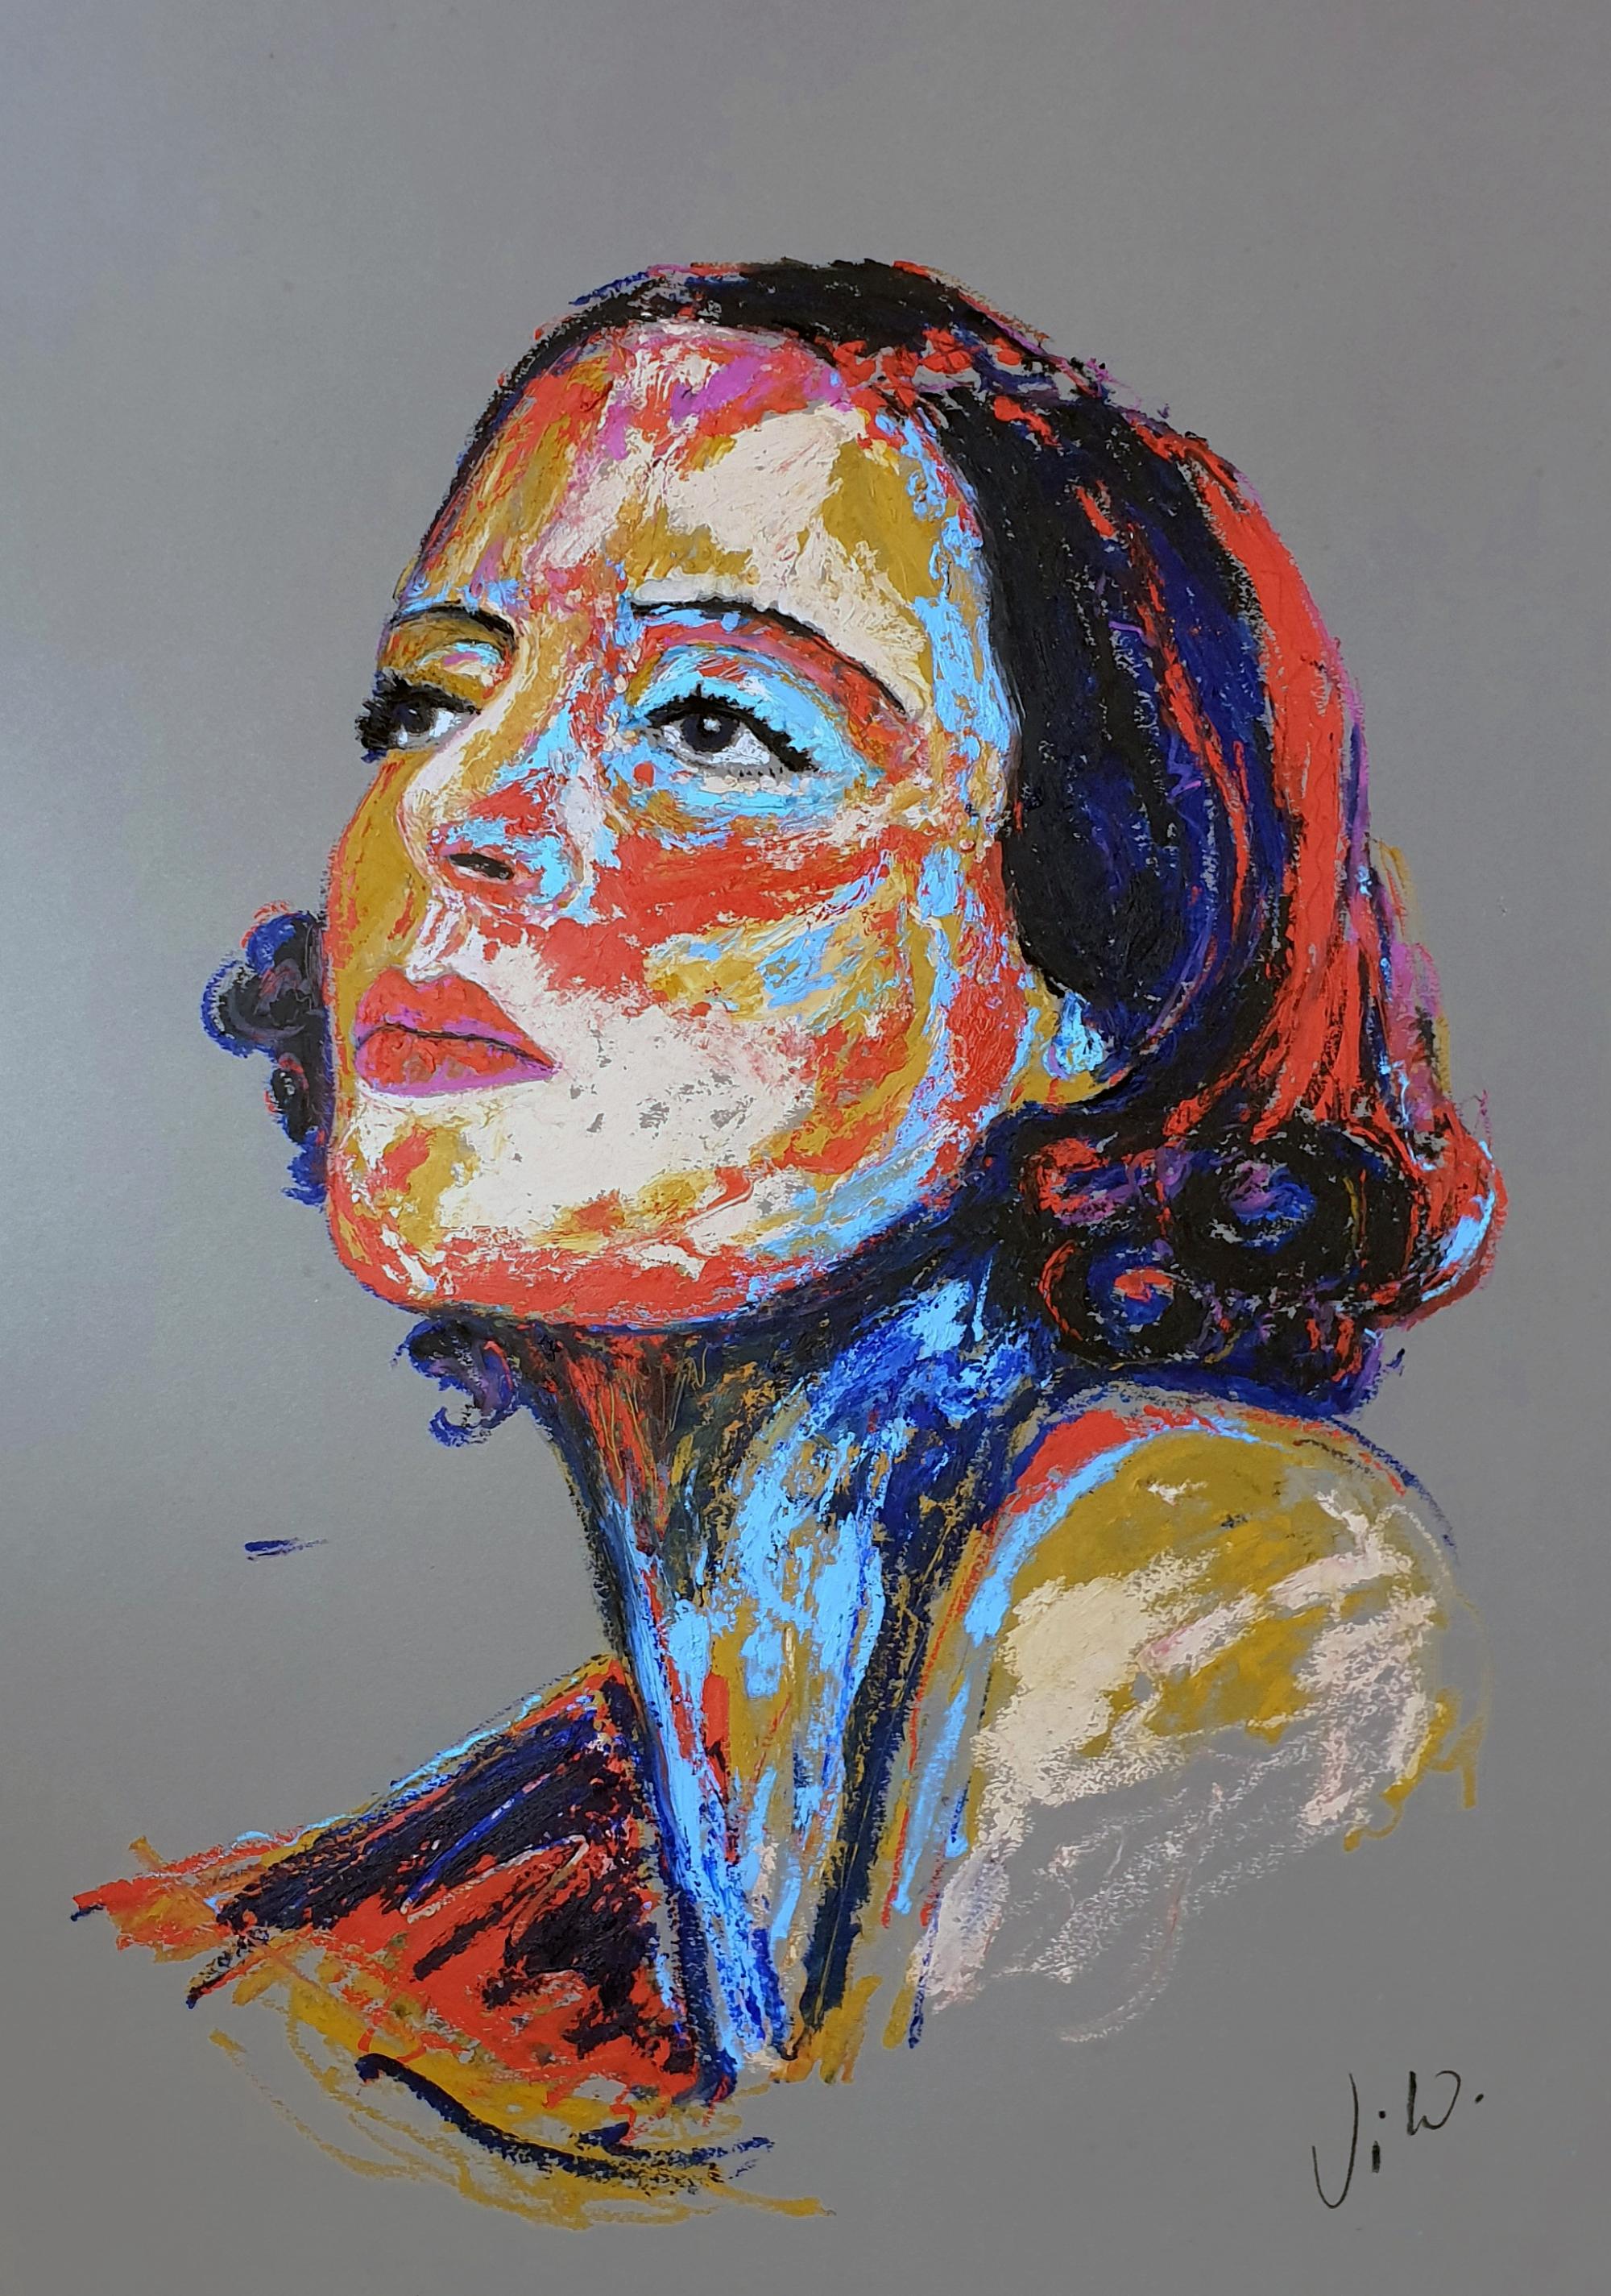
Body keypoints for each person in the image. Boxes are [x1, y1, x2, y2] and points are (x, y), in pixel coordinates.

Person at [78, 260, 1501, 2221]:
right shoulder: (414, 1934)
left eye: (715, 724)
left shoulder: (1229, 1593)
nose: (459, 807)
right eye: (431, 698)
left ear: (1087, 970)